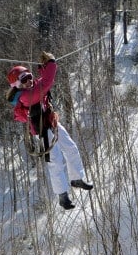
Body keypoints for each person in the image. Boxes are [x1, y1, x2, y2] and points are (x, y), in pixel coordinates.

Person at [6, 51, 93, 210]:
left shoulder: (32, 88)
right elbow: (45, 84)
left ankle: (77, 178)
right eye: (25, 80)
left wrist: (43, 67)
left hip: (50, 123)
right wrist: (51, 63)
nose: (30, 81)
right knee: (56, 161)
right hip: (41, 131)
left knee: (71, 148)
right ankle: (62, 196)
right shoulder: (25, 96)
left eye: (30, 76)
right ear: (17, 85)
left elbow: (42, 81)